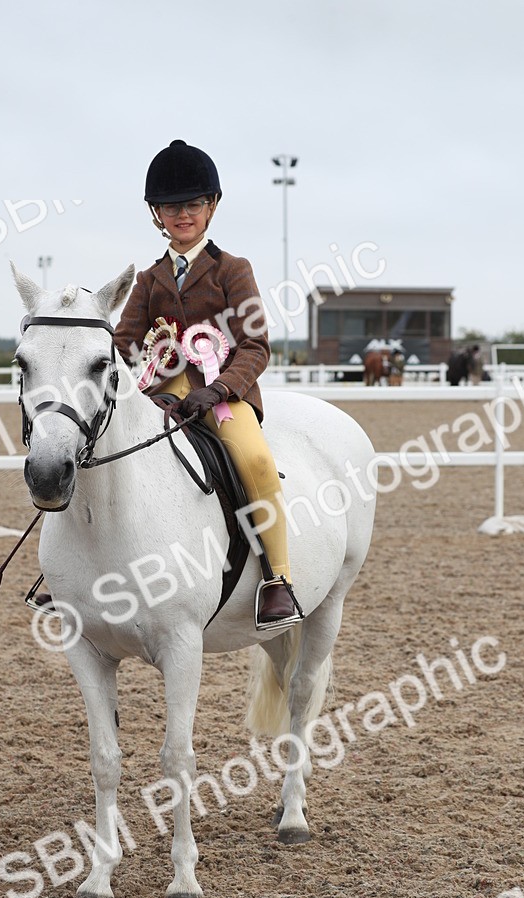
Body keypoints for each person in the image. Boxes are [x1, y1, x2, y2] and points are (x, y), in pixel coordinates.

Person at [111, 139, 302, 628]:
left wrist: (218, 389)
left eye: (192, 205)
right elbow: (125, 347)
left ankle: (277, 579)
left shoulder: (232, 271)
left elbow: (256, 346)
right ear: (157, 213)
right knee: (99, 453)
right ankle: (79, 575)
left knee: (256, 460)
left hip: (221, 397)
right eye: (171, 207)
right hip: (159, 397)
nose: (182, 215)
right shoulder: (150, 279)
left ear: (211, 206)